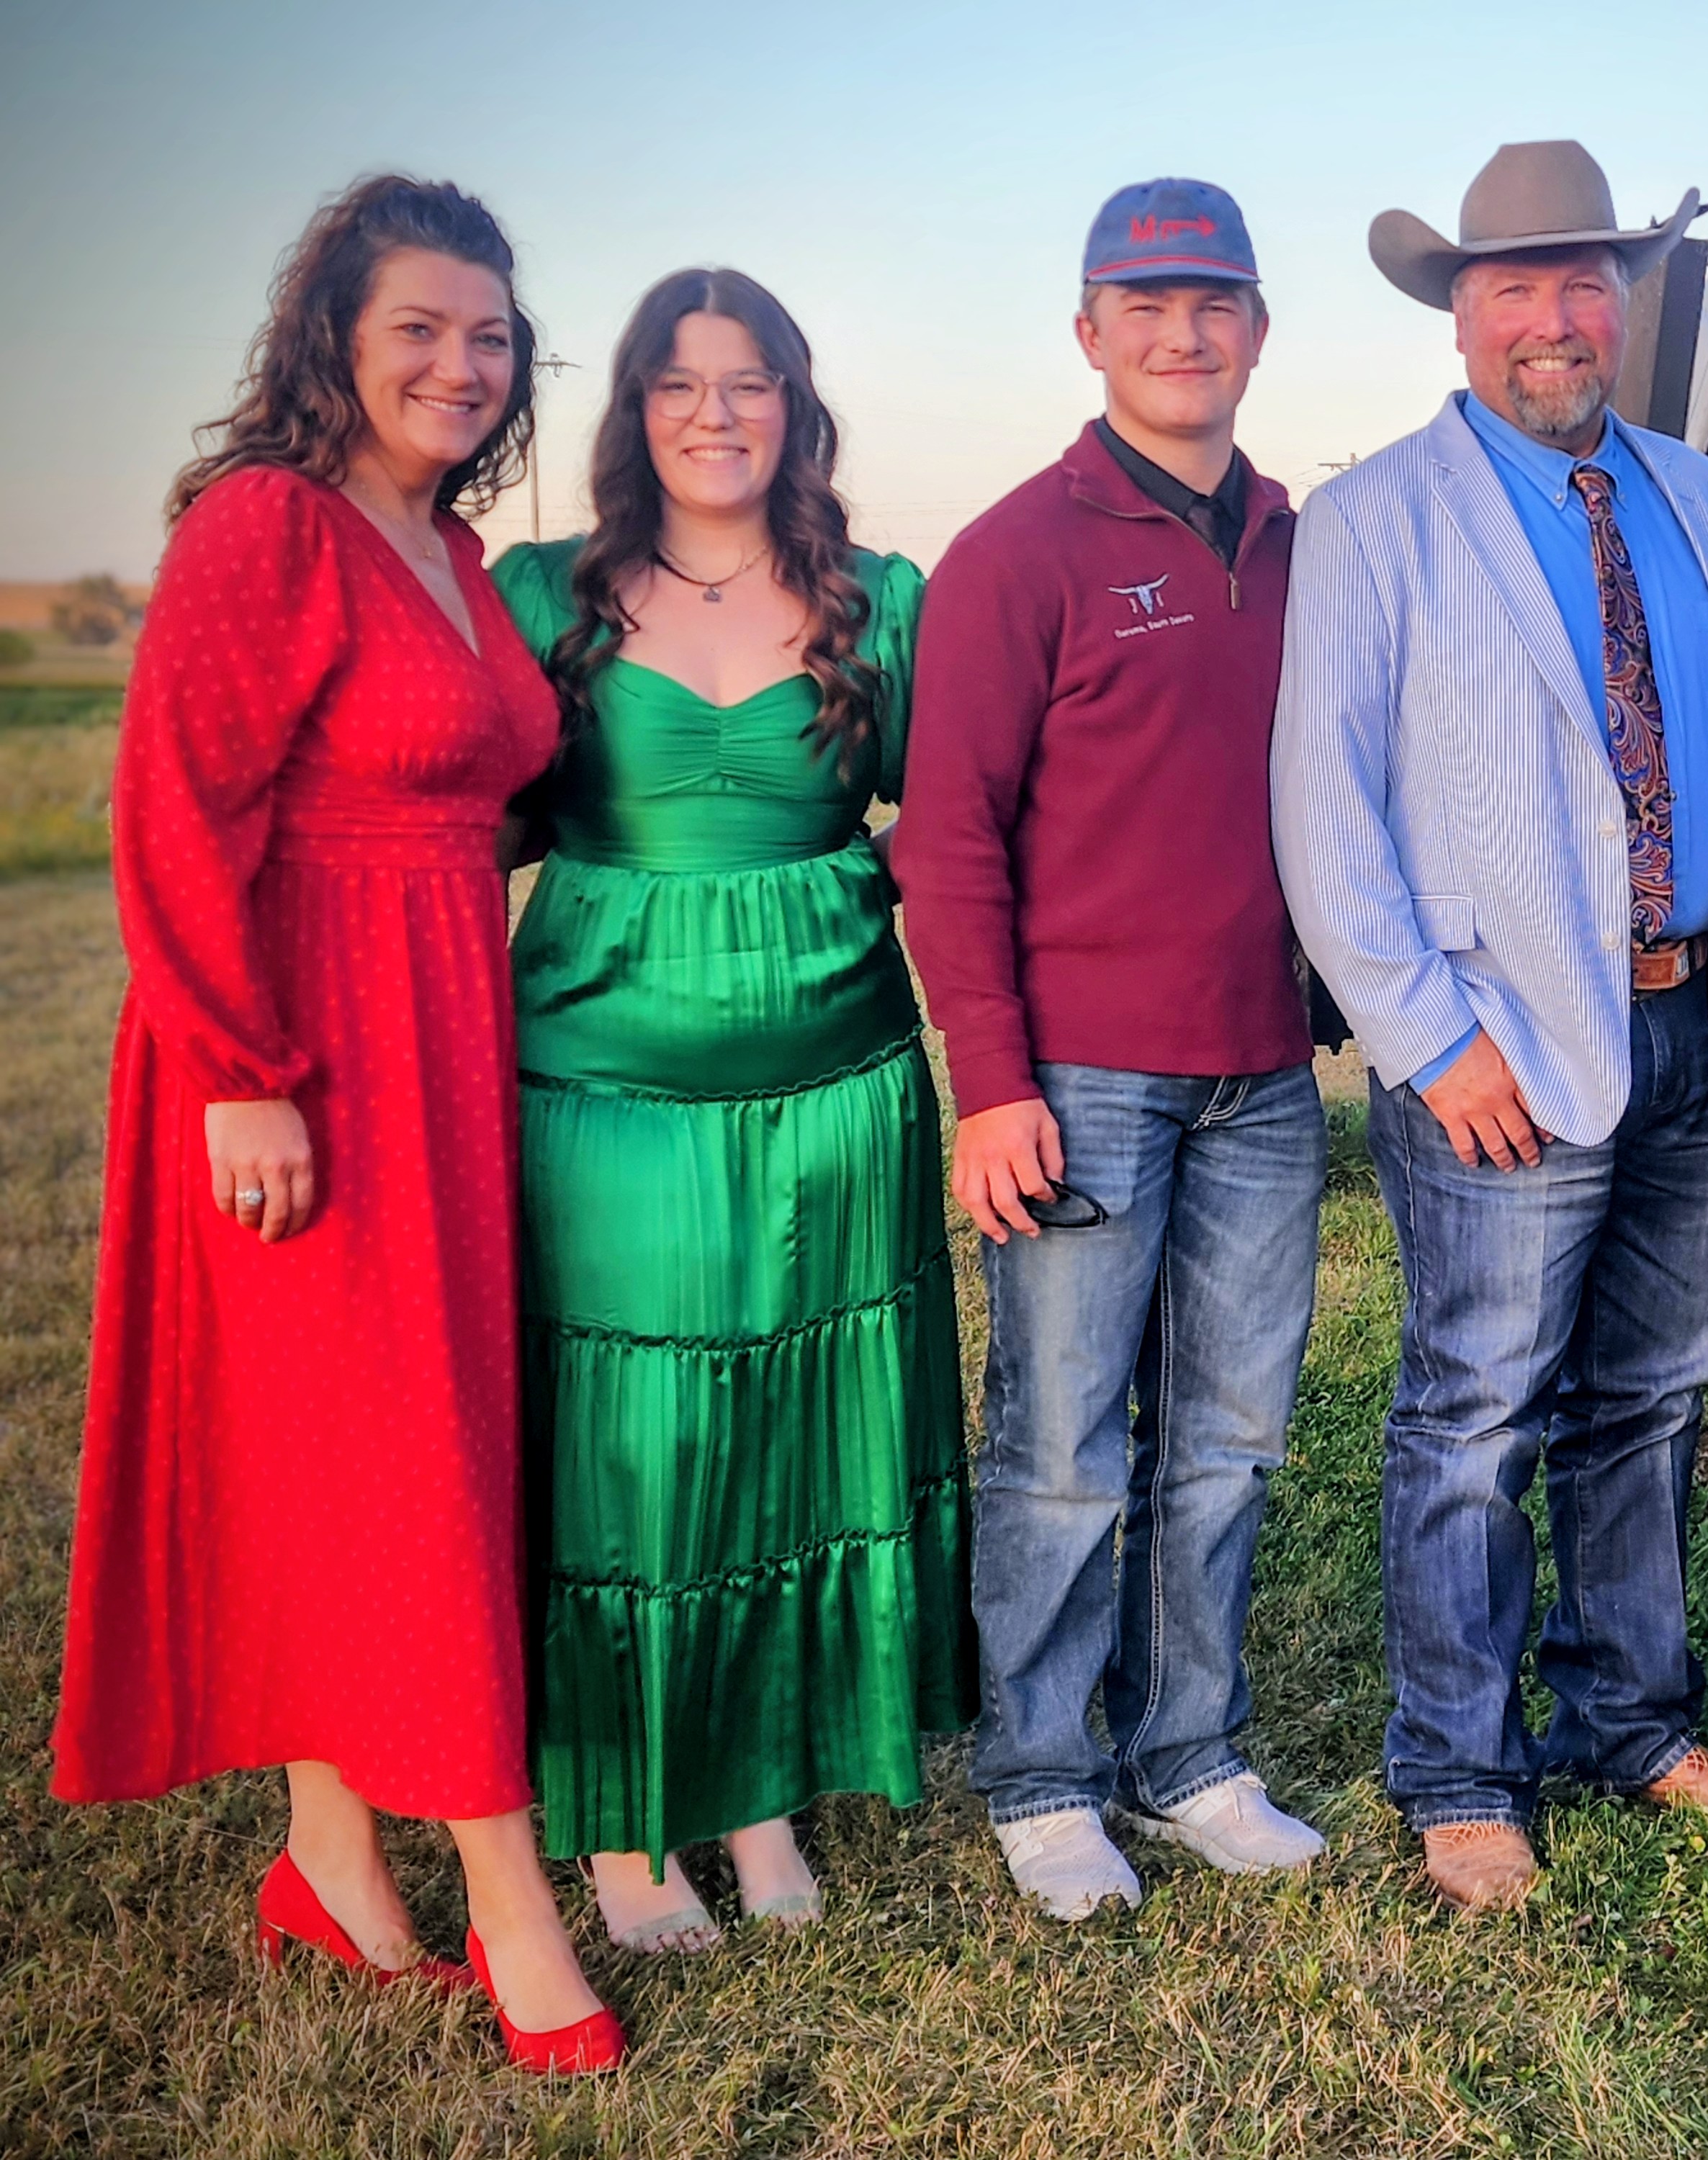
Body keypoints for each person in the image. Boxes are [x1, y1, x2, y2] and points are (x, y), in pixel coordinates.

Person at [50, 174, 619, 2073]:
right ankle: (513, 1896)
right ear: (334, 341)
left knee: (372, 1451)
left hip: (444, 1025)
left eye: (489, 338)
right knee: (407, 1459)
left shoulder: (453, 555)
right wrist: (239, 1074)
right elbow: (174, 810)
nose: (462, 367)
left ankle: (327, 1858)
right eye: (419, 331)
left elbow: (497, 791)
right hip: (303, 1048)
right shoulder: (264, 528)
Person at [1275, 140, 1708, 1917]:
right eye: (1514, 290)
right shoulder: (1372, 521)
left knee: (1647, 1404)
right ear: (1460, 315)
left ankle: (1632, 1725)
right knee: (1475, 1413)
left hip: (1695, 1027)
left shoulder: (1701, 495)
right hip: (1497, 1047)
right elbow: (1323, 809)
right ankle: (1454, 1769)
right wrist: (1427, 1042)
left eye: (1583, 285)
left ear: (1626, 302)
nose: (1553, 321)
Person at [491, 269, 972, 1953]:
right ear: (631, 409)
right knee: (632, 1444)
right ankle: (627, 1829)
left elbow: (966, 825)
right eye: (680, 383)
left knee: (792, 1436)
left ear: (795, 405)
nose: (715, 412)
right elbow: (448, 823)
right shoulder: (542, 592)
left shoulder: (880, 601)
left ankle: (763, 1791)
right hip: (603, 1091)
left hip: (838, 1092)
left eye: (749, 381)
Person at [894, 179, 1325, 1922]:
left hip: (1266, 1079)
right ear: (1088, 333)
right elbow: (945, 838)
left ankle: (1190, 1753)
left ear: (1255, 330)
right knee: (1064, 1444)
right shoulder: (1017, 553)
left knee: (1227, 1437)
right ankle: (1044, 1775)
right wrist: (990, 1082)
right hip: (1079, 1082)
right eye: (1144, 305)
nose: (1181, 331)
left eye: (1213, 300)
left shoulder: (1303, 541)